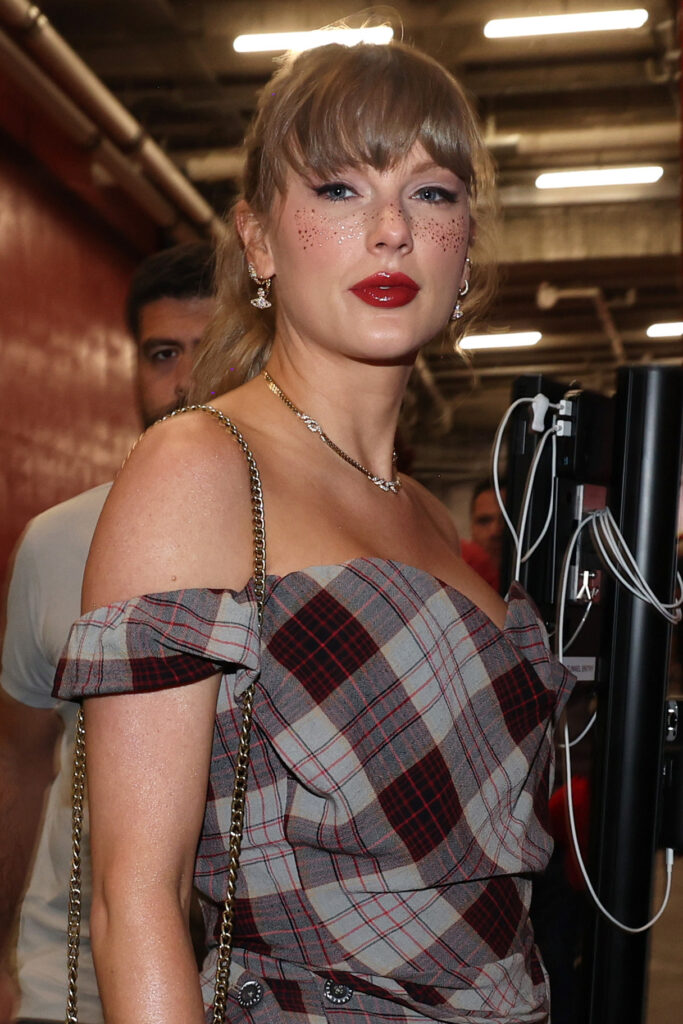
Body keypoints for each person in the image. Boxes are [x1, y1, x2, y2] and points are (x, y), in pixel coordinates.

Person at [54, 41, 574, 1024]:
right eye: (339, 189)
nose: (391, 231)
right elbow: (135, 903)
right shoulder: (199, 467)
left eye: (430, 193)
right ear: (257, 241)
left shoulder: (426, 514)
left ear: (465, 242)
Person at [0, 241, 216, 1024]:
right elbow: (22, 766)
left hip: (269, 992)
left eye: (212, 349)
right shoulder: (58, 543)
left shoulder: (313, 546)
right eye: (163, 354)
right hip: (70, 990)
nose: (187, 381)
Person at [460, 478, 505, 592]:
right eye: (484, 521)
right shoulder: (455, 573)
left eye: (505, 520)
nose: (495, 531)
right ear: (471, 527)